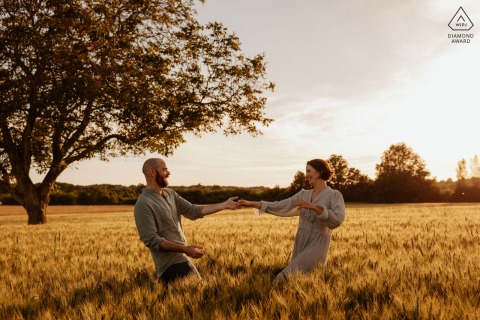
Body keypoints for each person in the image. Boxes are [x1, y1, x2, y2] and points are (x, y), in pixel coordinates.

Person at [134, 158, 239, 286]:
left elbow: (193, 210)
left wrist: (223, 205)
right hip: (169, 265)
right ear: (152, 172)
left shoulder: (170, 194)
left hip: (181, 259)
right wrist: (185, 249)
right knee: (201, 296)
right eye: (164, 169)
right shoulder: (143, 203)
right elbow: (152, 240)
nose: (168, 173)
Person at [239, 159, 345, 281]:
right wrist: (252, 204)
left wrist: (315, 207)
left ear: (320, 171)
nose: (306, 176)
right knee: (300, 281)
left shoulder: (334, 195)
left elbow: (338, 219)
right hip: (301, 242)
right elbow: (281, 205)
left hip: (317, 244)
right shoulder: (303, 194)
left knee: (282, 278)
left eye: (309, 171)